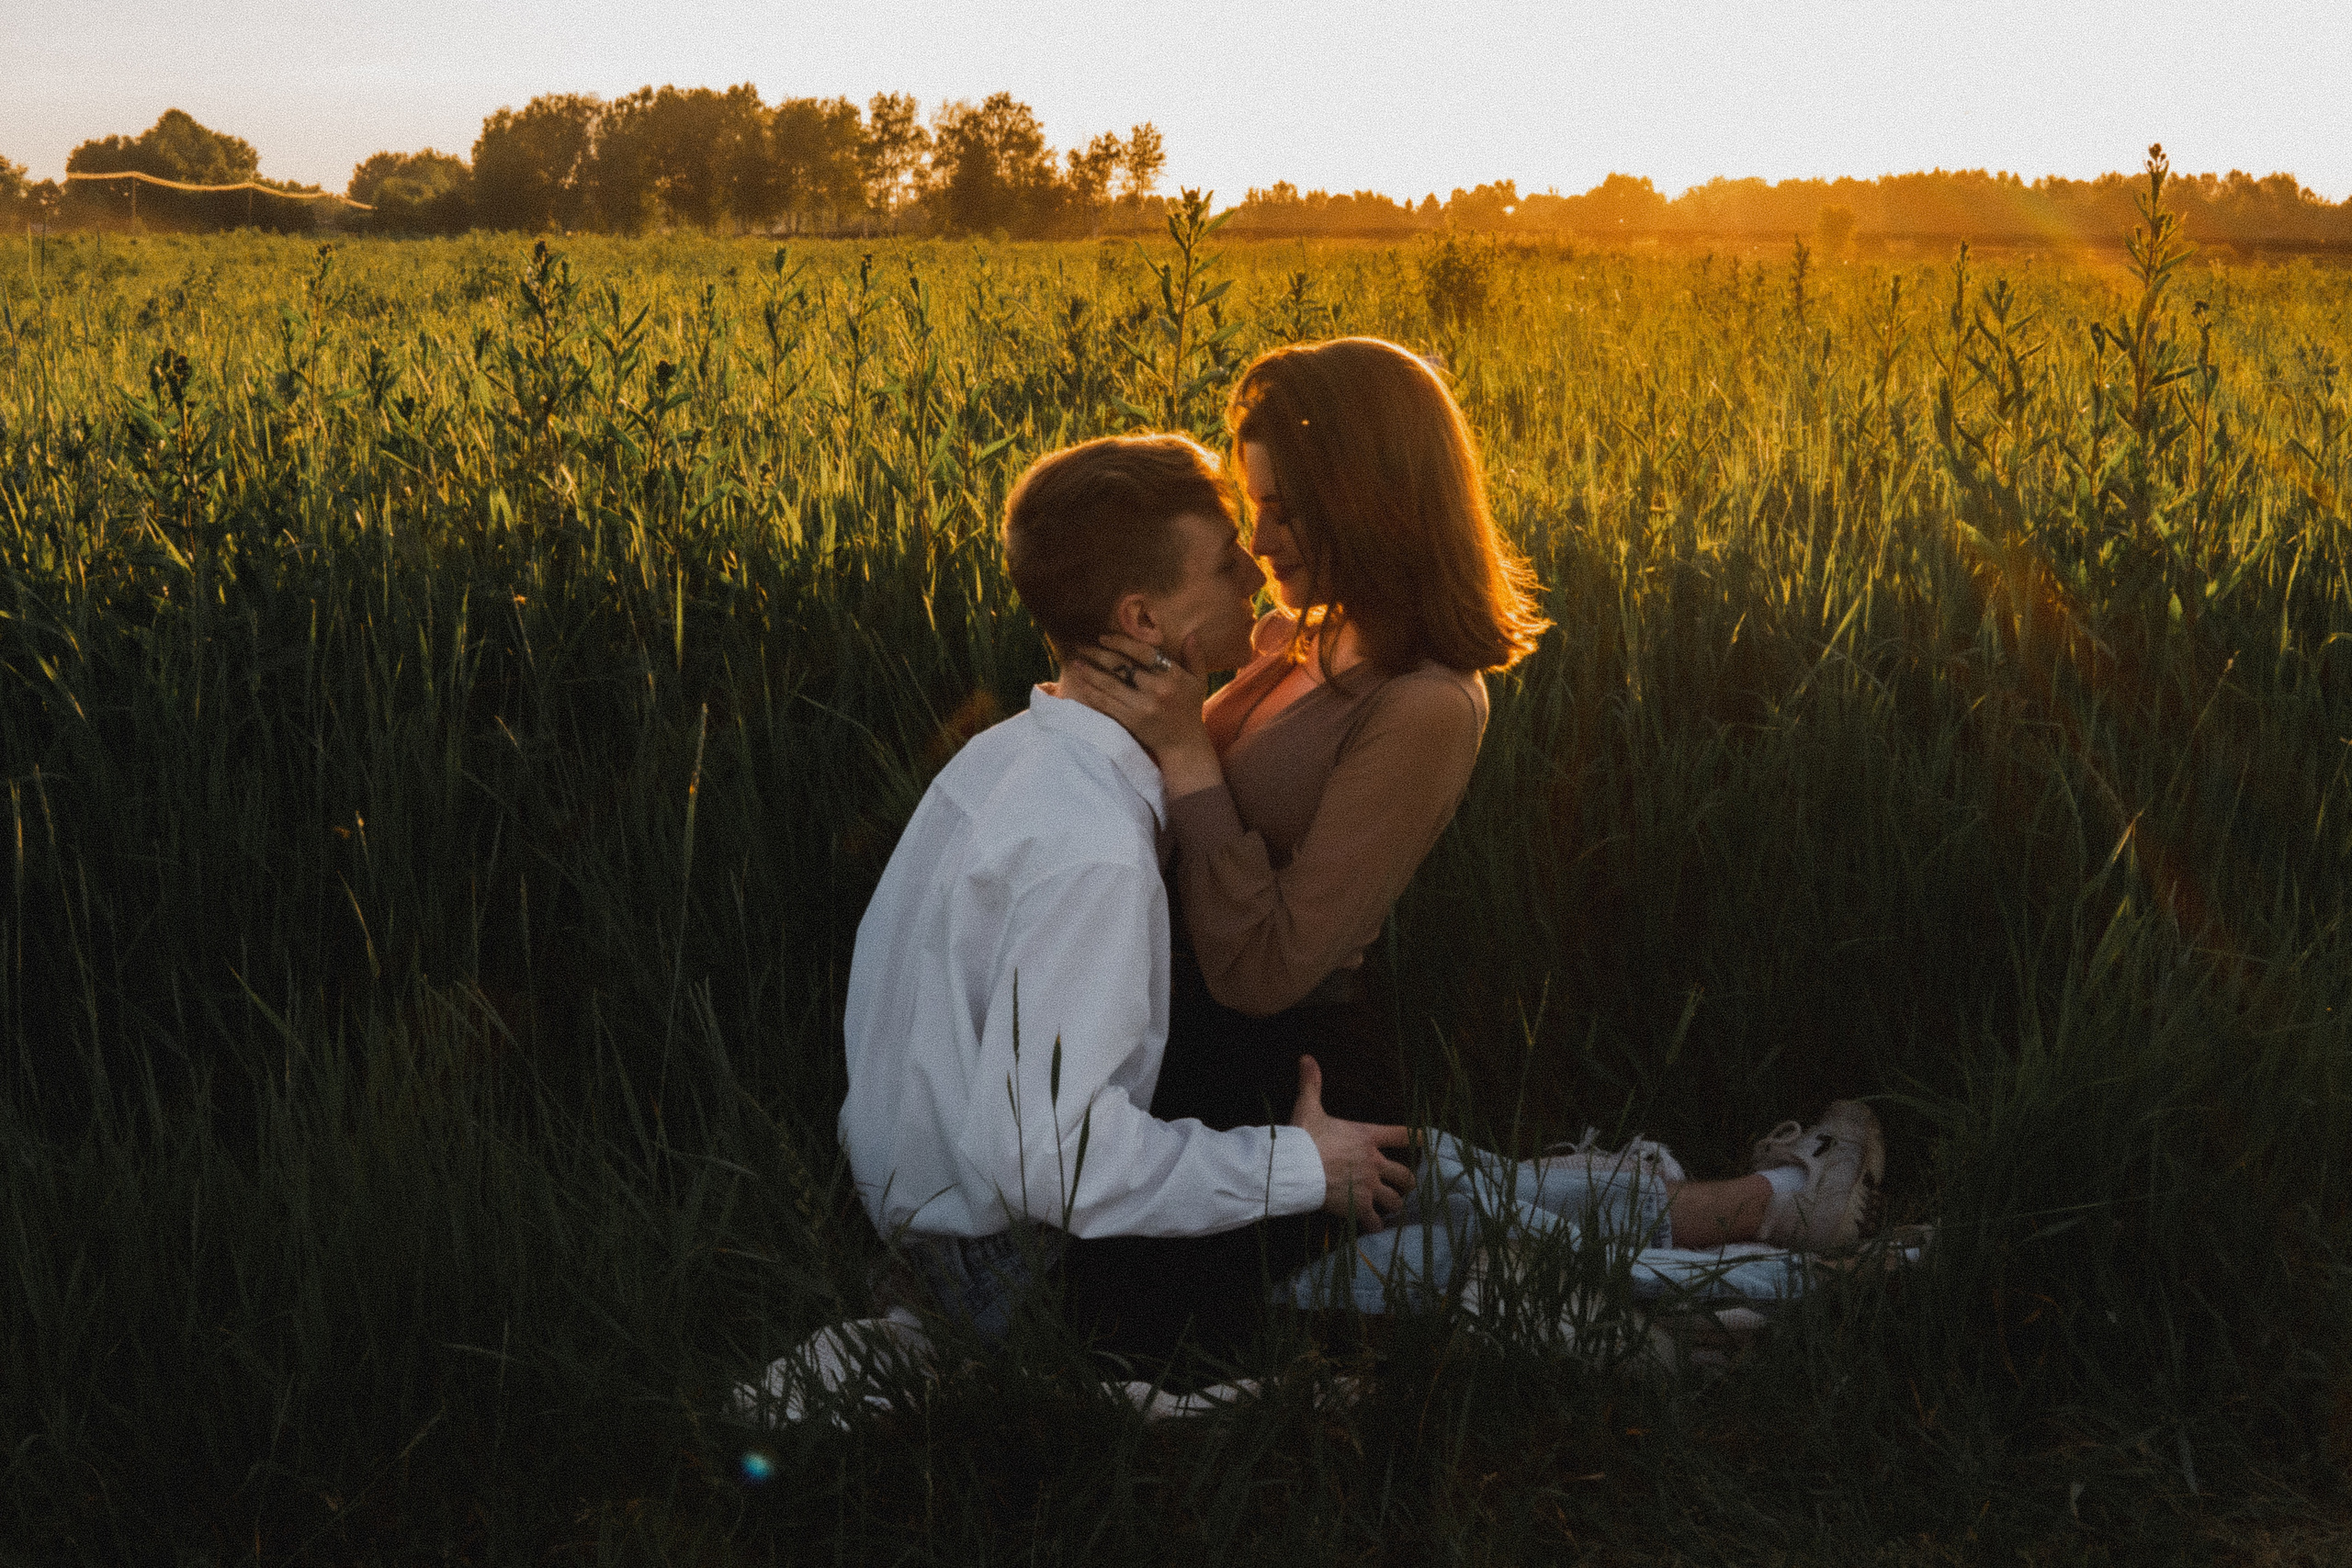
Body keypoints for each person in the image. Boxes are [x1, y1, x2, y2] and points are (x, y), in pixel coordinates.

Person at [1057, 339, 1885, 1336]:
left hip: (1285, 1057)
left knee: (1419, 1269)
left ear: (1373, 498)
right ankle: (1778, 1199)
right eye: (1252, 507)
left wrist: (1188, 753)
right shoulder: (1298, 638)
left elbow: (1267, 970)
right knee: (1440, 1188)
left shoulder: (1426, 703)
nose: (1258, 541)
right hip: (1197, 1056)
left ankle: (1770, 1254)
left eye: (1284, 510)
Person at [837, 432, 1419, 1348]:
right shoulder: (1095, 850)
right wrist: (1295, 1169)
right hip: (1016, 1273)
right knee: (1369, 1212)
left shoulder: (1004, 761)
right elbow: (1050, 1160)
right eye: (1228, 565)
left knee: (1351, 1144)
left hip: (929, 1224)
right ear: (1144, 623)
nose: (1254, 581)